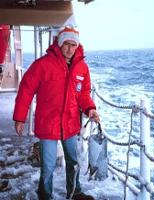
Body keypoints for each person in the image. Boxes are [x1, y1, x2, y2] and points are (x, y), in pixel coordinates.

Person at [13, 27, 100, 200]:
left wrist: (90, 109)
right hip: (48, 124)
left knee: (73, 162)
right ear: (60, 44)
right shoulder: (42, 65)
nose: (69, 49)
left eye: (73, 45)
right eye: (66, 44)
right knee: (48, 166)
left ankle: (75, 192)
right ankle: (45, 196)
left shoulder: (82, 68)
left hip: (70, 124)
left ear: (77, 45)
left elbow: (83, 95)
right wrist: (19, 117)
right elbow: (26, 90)